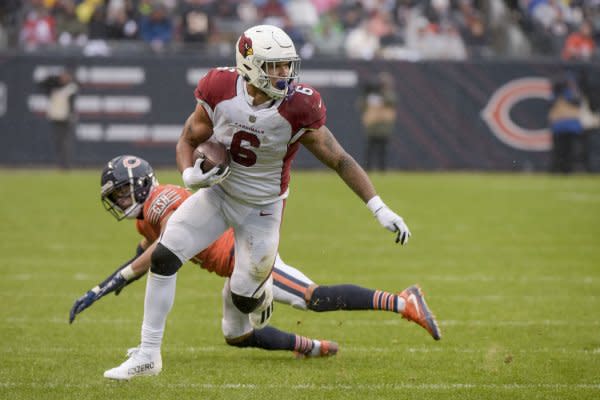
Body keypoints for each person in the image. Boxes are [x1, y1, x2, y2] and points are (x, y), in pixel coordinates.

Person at [104, 24, 416, 379]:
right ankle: (148, 354)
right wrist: (189, 174)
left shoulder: (300, 105)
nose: (285, 73)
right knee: (164, 257)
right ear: (250, 65)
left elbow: (339, 158)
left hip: (262, 210)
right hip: (218, 195)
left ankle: (260, 290)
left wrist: (378, 206)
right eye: (276, 65)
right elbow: (187, 139)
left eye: (288, 65)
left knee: (244, 300)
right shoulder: (218, 88)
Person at [70, 155, 440, 380]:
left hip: (248, 261)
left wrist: (112, 282)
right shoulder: (146, 217)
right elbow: (148, 250)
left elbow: (158, 254)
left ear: (139, 185)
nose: (119, 201)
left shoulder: (160, 203)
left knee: (313, 297)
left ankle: (404, 302)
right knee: (237, 335)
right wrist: (103, 286)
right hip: (232, 275)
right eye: (115, 197)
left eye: (120, 193)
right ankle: (310, 347)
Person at [39, 67, 78, 169]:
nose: (64, 78)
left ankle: (66, 164)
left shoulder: (71, 88)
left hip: (66, 118)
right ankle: (61, 164)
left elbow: (72, 104)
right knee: (58, 142)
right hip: (55, 116)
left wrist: (71, 116)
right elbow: (41, 84)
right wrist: (54, 77)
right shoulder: (54, 86)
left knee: (65, 142)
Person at [358, 71, 397, 171]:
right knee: (370, 150)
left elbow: (392, 101)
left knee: (382, 151)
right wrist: (368, 94)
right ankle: (367, 169)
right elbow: (361, 105)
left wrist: (381, 94)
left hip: (383, 128)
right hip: (372, 128)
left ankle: (382, 170)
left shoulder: (388, 95)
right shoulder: (371, 96)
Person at [548, 69, 583, 173]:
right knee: (562, 152)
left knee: (566, 152)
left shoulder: (569, 94)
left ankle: (566, 170)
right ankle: (561, 170)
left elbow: (577, 102)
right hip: (564, 127)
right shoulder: (558, 94)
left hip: (567, 127)